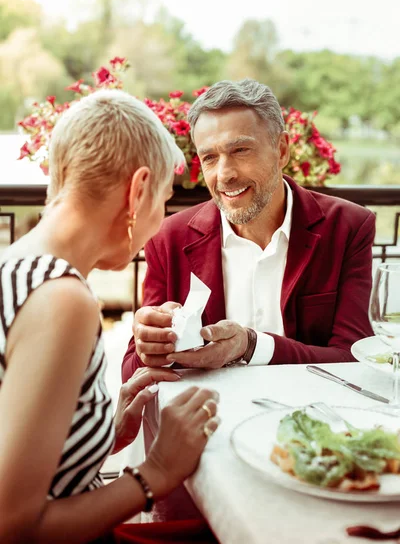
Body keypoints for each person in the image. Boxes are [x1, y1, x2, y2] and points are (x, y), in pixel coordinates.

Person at [0, 90, 220, 544]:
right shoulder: (62, 300)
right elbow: (13, 525)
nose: (160, 220)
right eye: (163, 199)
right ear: (137, 191)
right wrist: (154, 472)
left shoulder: (16, 265)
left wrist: (102, 429)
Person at [122, 78, 375, 379]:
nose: (224, 174)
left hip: (313, 413)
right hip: (209, 419)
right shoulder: (168, 238)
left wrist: (251, 345)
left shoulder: (349, 227)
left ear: (281, 150)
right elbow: (130, 372)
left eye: (241, 150)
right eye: (210, 158)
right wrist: (150, 345)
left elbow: (354, 359)